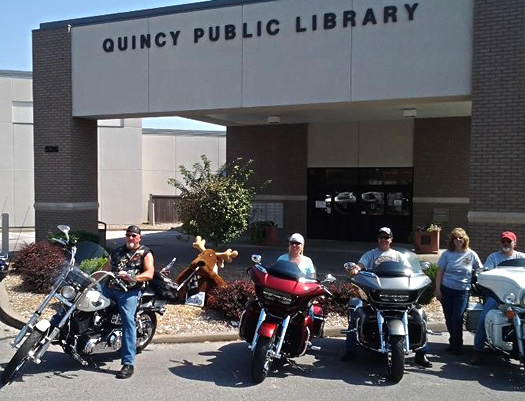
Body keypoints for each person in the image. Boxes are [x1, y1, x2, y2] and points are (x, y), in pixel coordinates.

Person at [341, 227, 432, 368]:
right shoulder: (370, 255)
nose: (383, 240)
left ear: (391, 239)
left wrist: (418, 271)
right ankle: (350, 350)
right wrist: (356, 269)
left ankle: (422, 354)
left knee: (420, 315)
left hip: (398, 294)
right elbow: (360, 265)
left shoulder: (398, 256)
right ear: (378, 238)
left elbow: (410, 270)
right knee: (357, 313)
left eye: (386, 237)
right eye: (381, 237)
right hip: (377, 294)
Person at [102, 225, 154, 379]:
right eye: (128, 235)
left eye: (134, 235)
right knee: (85, 301)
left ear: (139, 237)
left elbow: (149, 273)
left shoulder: (145, 252)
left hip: (129, 292)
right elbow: (105, 269)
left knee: (128, 321)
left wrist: (134, 278)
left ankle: (128, 363)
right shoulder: (116, 251)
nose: (131, 238)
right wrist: (91, 282)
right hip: (110, 288)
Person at [470, 231, 525, 365]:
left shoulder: (522, 257)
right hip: (498, 296)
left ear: (514, 243)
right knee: (484, 318)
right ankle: (477, 351)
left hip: (519, 298)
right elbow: (486, 274)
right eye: (503, 241)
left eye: (509, 241)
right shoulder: (493, 258)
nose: (506, 244)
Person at [435, 227, 482, 356]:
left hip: (462, 291)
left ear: (464, 239)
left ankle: (457, 345)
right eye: (455, 238)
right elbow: (440, 272)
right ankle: (453, 341)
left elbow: (480, 270)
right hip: (447, 289)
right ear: (452, 240)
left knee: (457, 318)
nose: (458, 240)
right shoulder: (446, 254)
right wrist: (437, 289)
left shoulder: (471, 254)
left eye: (460, 238)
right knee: (449, 318)